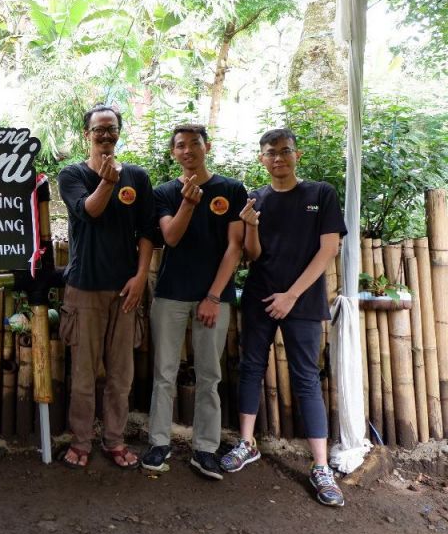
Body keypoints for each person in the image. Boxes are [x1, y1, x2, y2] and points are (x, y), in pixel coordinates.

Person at [220, 128, 346, 507]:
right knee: (250, 367)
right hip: (260, 296)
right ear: (262, 159)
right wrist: (251, 225)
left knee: (306, 377)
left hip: (302, 301)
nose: (279, 158)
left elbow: (329, 249)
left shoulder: (320, 194)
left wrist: (292, 295)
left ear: (297, 154)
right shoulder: (255, 199)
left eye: (285, 151)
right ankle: (247, 443)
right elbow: (252, 255)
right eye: (271, 153)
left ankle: (320, 466)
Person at [141, 124, 246, 479]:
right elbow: (170, 237)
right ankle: (159, 442)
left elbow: (235, 246)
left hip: (214, 297)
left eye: (195, 144)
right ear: (174, 153)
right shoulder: (164, 193)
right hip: (171, 293)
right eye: (181, 146)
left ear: (207, 147)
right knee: (164, 373)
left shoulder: (231, 189)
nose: (188, 150)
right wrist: (188, 202)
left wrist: (214, 296)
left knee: (209, 375)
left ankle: (205, 448)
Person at [56, 104, 155, 469]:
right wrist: (109, 181)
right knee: (83, 375)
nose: (105, 135)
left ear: (118, 133)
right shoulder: (72, 174)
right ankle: (81, 441)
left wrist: (141, 277)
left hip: (125, 291)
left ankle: (114, 439)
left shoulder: (137, 177)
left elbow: (147, 231)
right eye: (98, 129)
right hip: (84, 288)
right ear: (87, 134)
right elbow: (89, 211)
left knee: (121, 375)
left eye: (111, 128)